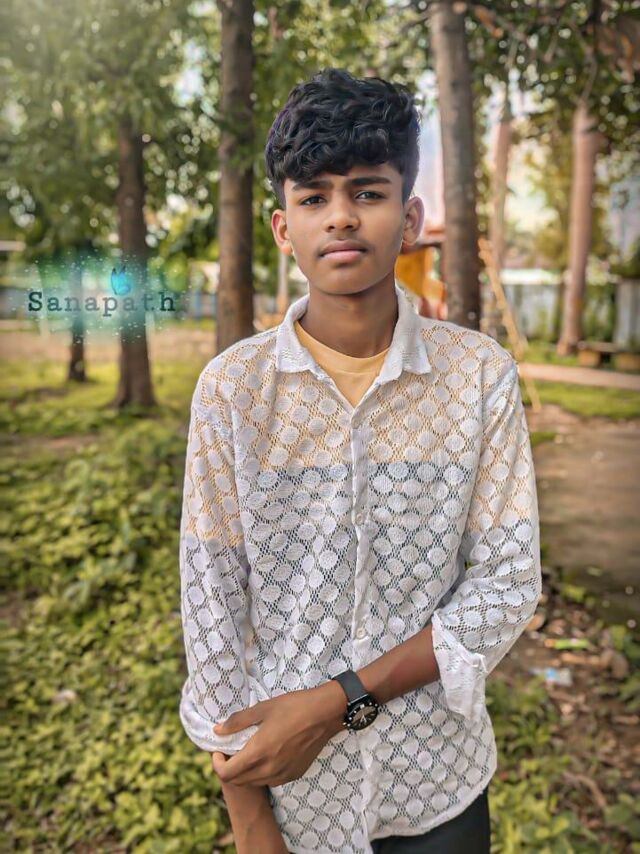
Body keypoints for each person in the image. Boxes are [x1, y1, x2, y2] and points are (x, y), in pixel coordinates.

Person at [178, 67, 542, 854]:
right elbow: (212, 607)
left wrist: (341, 700)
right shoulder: (234, 392)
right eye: (315, 198)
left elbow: (507, 579)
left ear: (409, 217)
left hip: (438, 785)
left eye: (367, 192)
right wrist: (249, 817)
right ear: (284, 229)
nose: (341, 216)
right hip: (295, 796)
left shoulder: (478, 377)